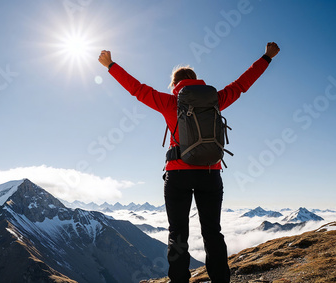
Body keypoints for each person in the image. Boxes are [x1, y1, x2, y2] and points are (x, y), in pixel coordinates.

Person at [98, 42, 280, 283]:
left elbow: (137, 89)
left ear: (174, 85)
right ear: (197, 81)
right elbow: (241, 85)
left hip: (178, 174)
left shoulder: (169, 102)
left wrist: (110, 65)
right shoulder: (215, 100)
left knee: (178, 233)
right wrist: (266, 57)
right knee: (212, 233)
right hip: (209, 172)